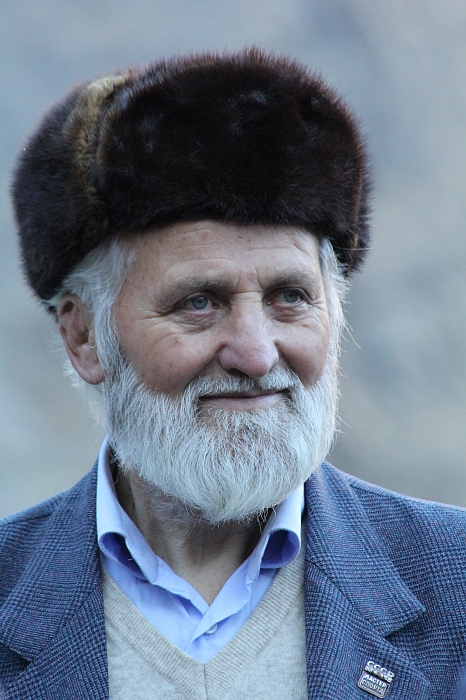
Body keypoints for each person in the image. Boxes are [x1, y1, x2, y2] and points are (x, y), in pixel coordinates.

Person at [1, 48, 465, 700]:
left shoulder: (455, 585)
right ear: (84, 337)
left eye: (290, 297)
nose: (256, 354)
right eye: (198, 302)